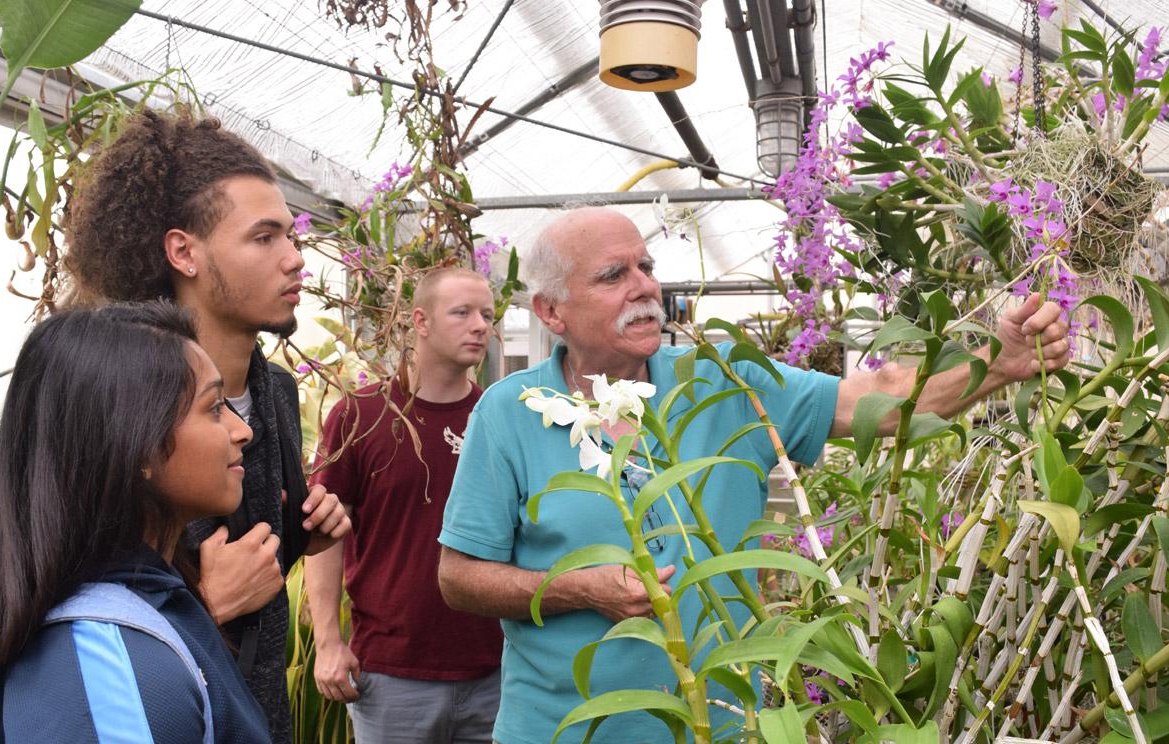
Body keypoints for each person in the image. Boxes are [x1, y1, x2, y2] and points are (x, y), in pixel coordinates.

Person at [436, 207, 1070, 743]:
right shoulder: (511, 412)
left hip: (724, 725)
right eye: (612, 276)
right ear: (552, 313)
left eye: (646, 268)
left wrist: (1000, 363)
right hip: (563, 731)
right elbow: (459, 579)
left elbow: (874, 399)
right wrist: (577, 588)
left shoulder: (721, 378)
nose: (644, 287)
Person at [0, 302, 267, 742]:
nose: (241, 430)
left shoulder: (145, 598)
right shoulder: (106, 666)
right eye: (214, 408)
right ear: (138, 447)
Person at [65, 110, 349, 741]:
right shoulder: (115, 400)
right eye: (265, 237)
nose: (297, 259)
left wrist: (304, 533)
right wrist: (203, 606)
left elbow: (249, 557)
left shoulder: (275, 391)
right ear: (184, 252)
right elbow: (61, 592)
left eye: (292, 236)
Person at [305, 268, 505, 743]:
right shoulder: (361, 415)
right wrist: (329, 642)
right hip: (393, 675)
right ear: (420, 320)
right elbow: (323, 534)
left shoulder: (499, 418)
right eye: (462, 313)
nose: (480, 325)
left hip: (494, 673)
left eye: (488, 315)